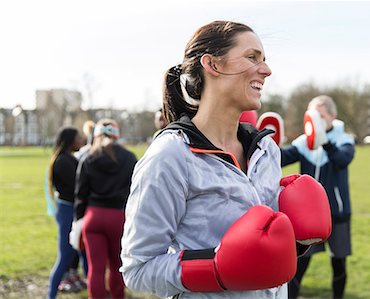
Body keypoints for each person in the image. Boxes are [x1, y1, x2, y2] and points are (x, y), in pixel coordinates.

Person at [120, 20, 331, 299]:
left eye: (264, 60)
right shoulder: (171, 156)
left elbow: (263, 249)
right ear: (213, 65)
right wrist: (215, 268)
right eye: (252, 57)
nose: (266, 70)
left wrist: (296, 242)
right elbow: (138, 270)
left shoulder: (266, 150)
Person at [281, 95, 355, 299]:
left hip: (337, 214)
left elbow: (342, 160)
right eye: (312, 115)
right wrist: (267, 145)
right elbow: (280, 159)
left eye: (321, 116)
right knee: (298, 264)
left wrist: (326, 143)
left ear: (333, 116)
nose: (316, 120)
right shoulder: (303, 143)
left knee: (338, 262)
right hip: (308, 216)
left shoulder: (344, 140)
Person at [74, 119, 137, 299]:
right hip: (118, 217)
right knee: (118, 266)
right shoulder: (129, 157)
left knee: (96, 269)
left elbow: (80, 194)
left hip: (93, 217)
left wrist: (78, 221)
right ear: (116, 135)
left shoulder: (87, 158)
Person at [47, 126, 84, 299]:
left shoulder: (68, 159)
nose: (81, 140)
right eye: (78, 138)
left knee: (82, 253)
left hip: (72, 210)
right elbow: (76, 188)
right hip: (68, 211)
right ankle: (51, 295)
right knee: (64, 256)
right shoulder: (63, 161)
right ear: (70, 140)